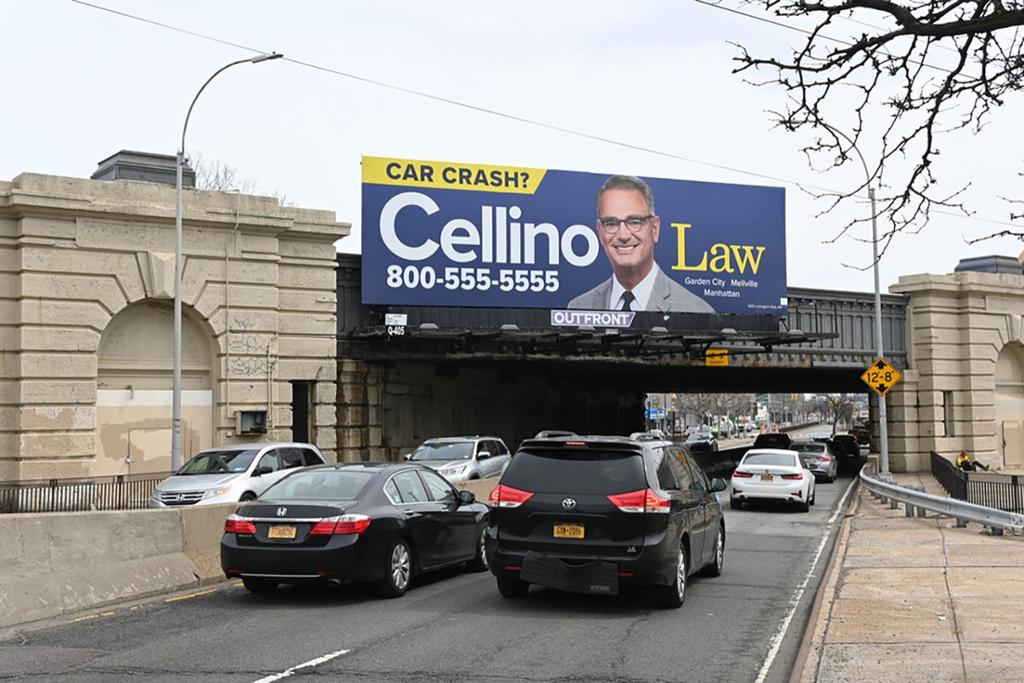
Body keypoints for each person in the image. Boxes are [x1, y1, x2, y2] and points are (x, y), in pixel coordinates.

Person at [567, 175, 714, 313]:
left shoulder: (697, 310)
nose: (623, 235)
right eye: (611, 223)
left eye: (634, 222)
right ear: (599, 231)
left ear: (655, 228)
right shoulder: (578, 307)